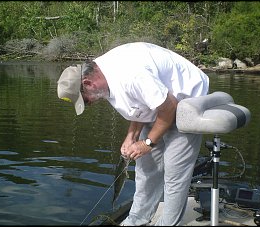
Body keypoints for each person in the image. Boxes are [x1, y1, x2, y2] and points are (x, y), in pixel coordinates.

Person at [57, 42, 209, 226]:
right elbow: (141, 104)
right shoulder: (104, 75)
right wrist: (132, 136)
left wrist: (148, 142)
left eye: (86, 100)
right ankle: (138, 220)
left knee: (174, 173)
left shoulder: (130, 76)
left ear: (88, 83)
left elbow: (169, 107)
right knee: (146, 168)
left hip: (187, 100)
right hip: (162, 103)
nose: (89, 103)